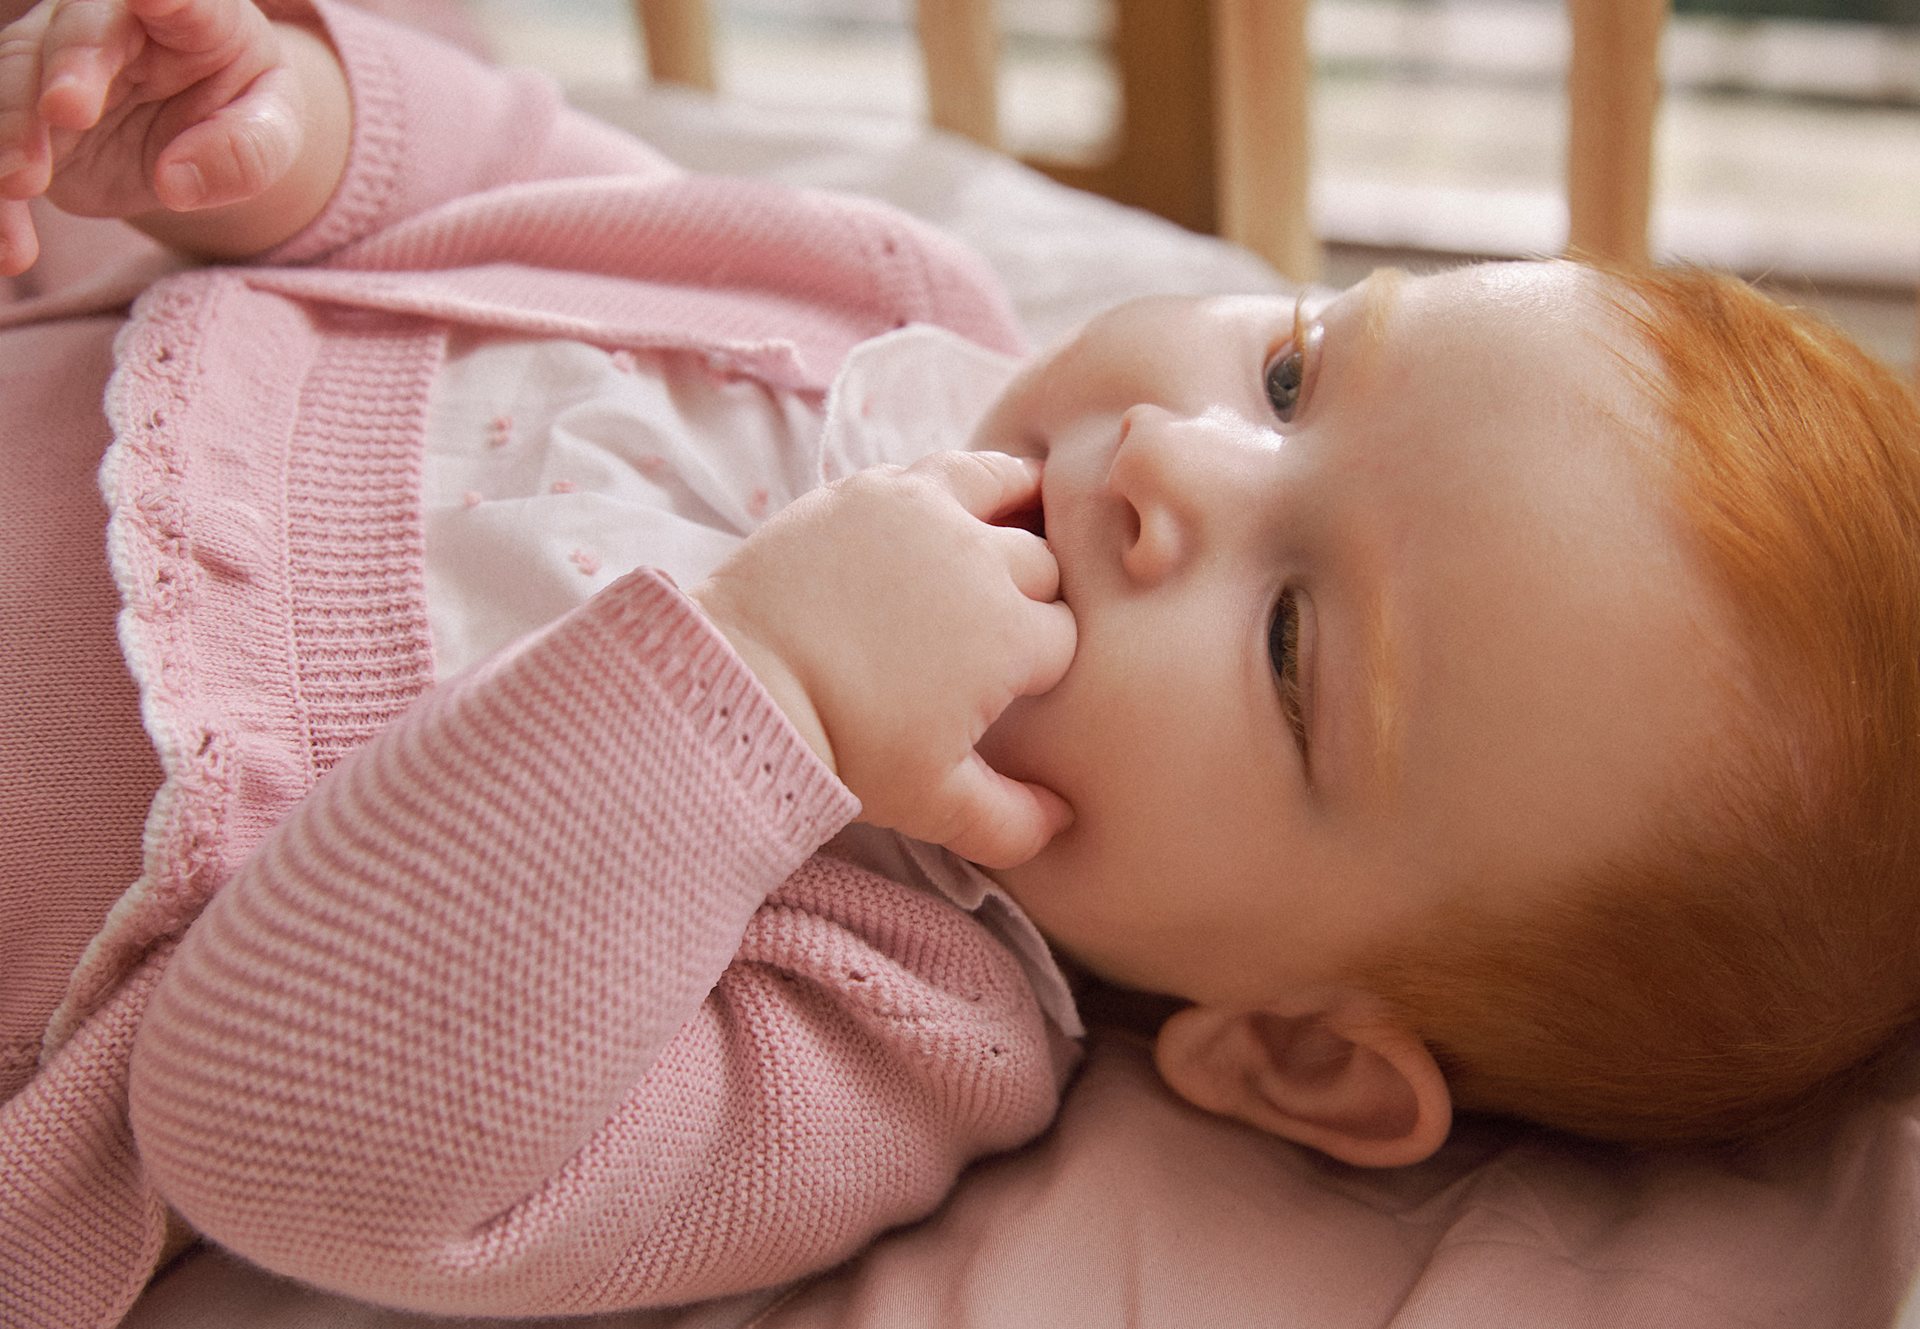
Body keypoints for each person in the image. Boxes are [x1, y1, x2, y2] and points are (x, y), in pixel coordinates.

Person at [3, 0, 1919, 1323]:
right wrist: (287, 138)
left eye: (1285, 638)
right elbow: (527, 177)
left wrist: (764, 692)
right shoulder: (882, 307)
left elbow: (279, 1131)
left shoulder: (890, 1019)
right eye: (1297, 369)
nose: (1180, 461)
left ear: (1306, 1055)